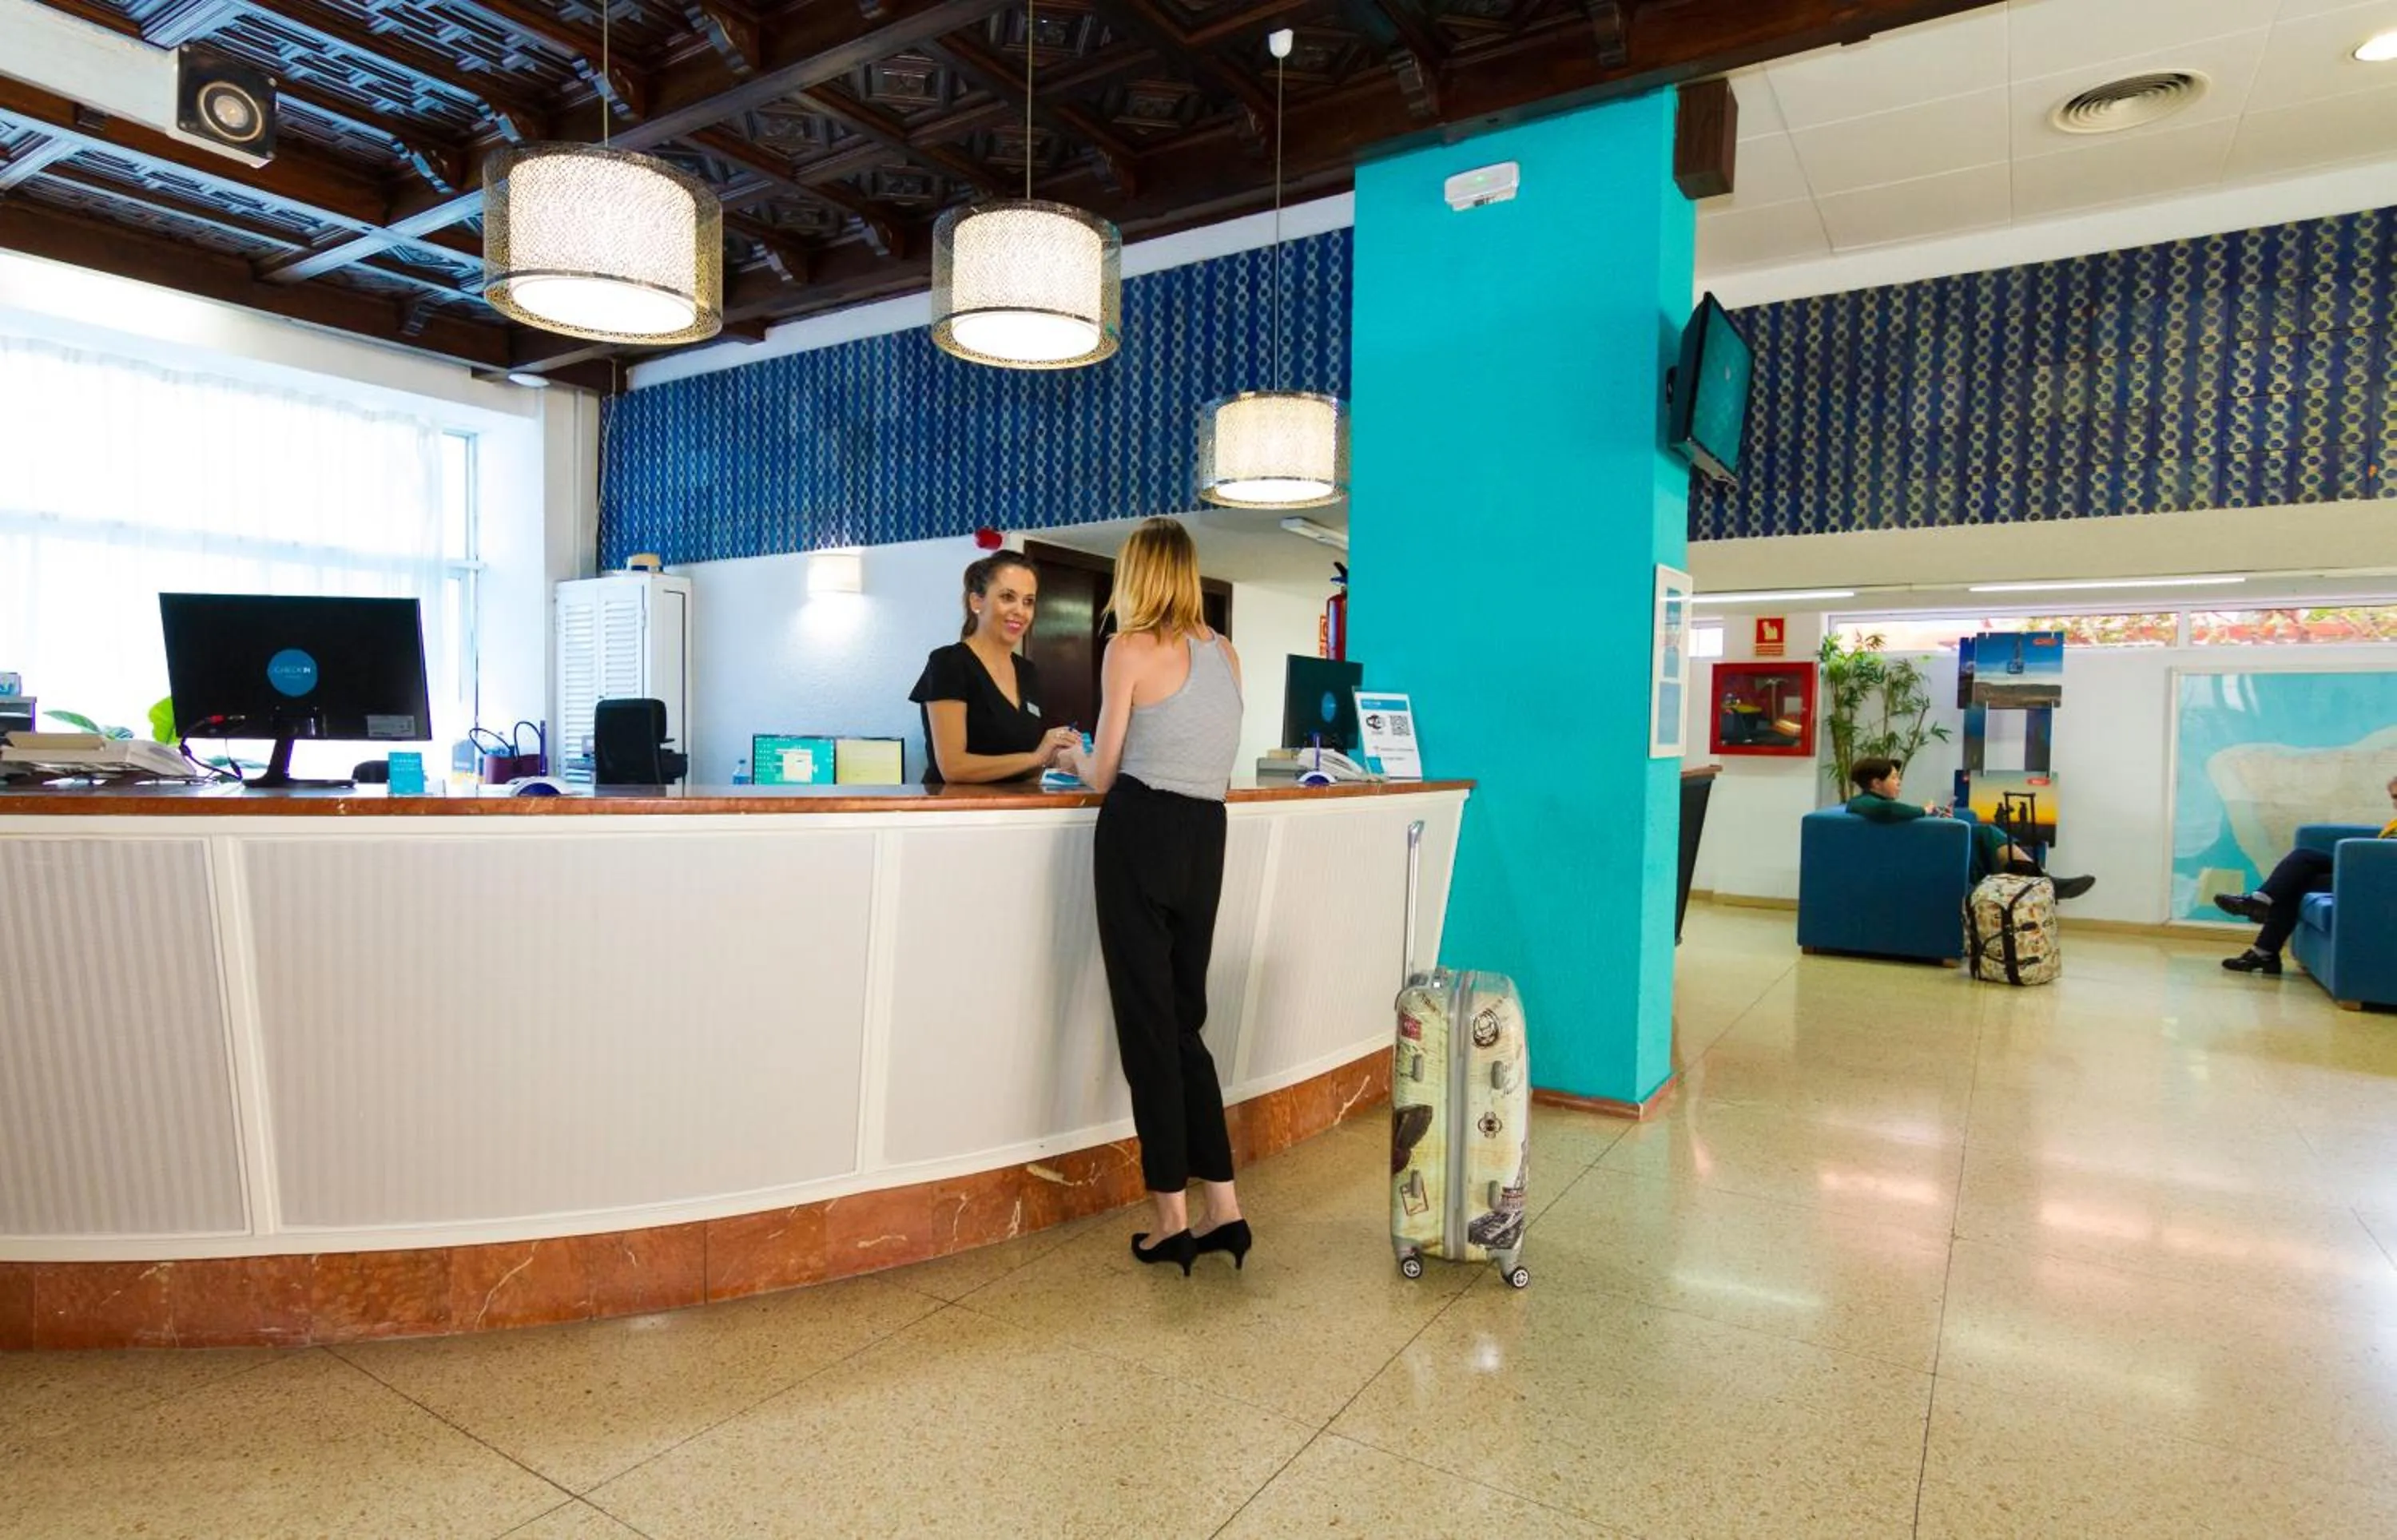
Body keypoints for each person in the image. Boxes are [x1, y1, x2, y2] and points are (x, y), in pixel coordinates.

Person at [1059, 518, 1248, 1276]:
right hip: (1206, 834)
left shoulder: (1129, 648)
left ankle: (1171, 1215)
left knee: (1148, 1027)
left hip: (1140, 833)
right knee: (1185, 1025)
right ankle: (1225, 1210)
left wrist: (1070, 753)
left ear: (1138, 574)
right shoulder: (1227, 654)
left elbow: (1104, 772)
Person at [909, 553, 1080, 784]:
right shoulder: (949, 663)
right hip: (957, 814)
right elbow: (953, 767)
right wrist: (1037, 757)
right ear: (976, 602)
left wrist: (1059, 759)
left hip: (1016, 815)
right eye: (1008, 597)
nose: (1020, 611)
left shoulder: (1027, 671)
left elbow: (1022, 764)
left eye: (1028, 601)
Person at [2217, 773, 2397, 974]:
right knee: (2303, 861)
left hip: (2382, 880)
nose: (2395, 804)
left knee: (2295, 880)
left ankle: (2261, 932)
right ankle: (2261, 917)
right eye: (2394, 799)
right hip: (2367, 872)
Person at [1845, 757, 2097, 900]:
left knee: (1981, 833)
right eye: (1893, 777)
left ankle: (2040, 882)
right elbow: (1889, 812)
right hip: (1919, 861)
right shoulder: (1864, 802)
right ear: (1876, 783)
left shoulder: (1876, 802)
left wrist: (1934, 815)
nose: (1899, 782)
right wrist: (1925, 811)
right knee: (1984, 834)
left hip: (1923, 853)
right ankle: (2044, 883)